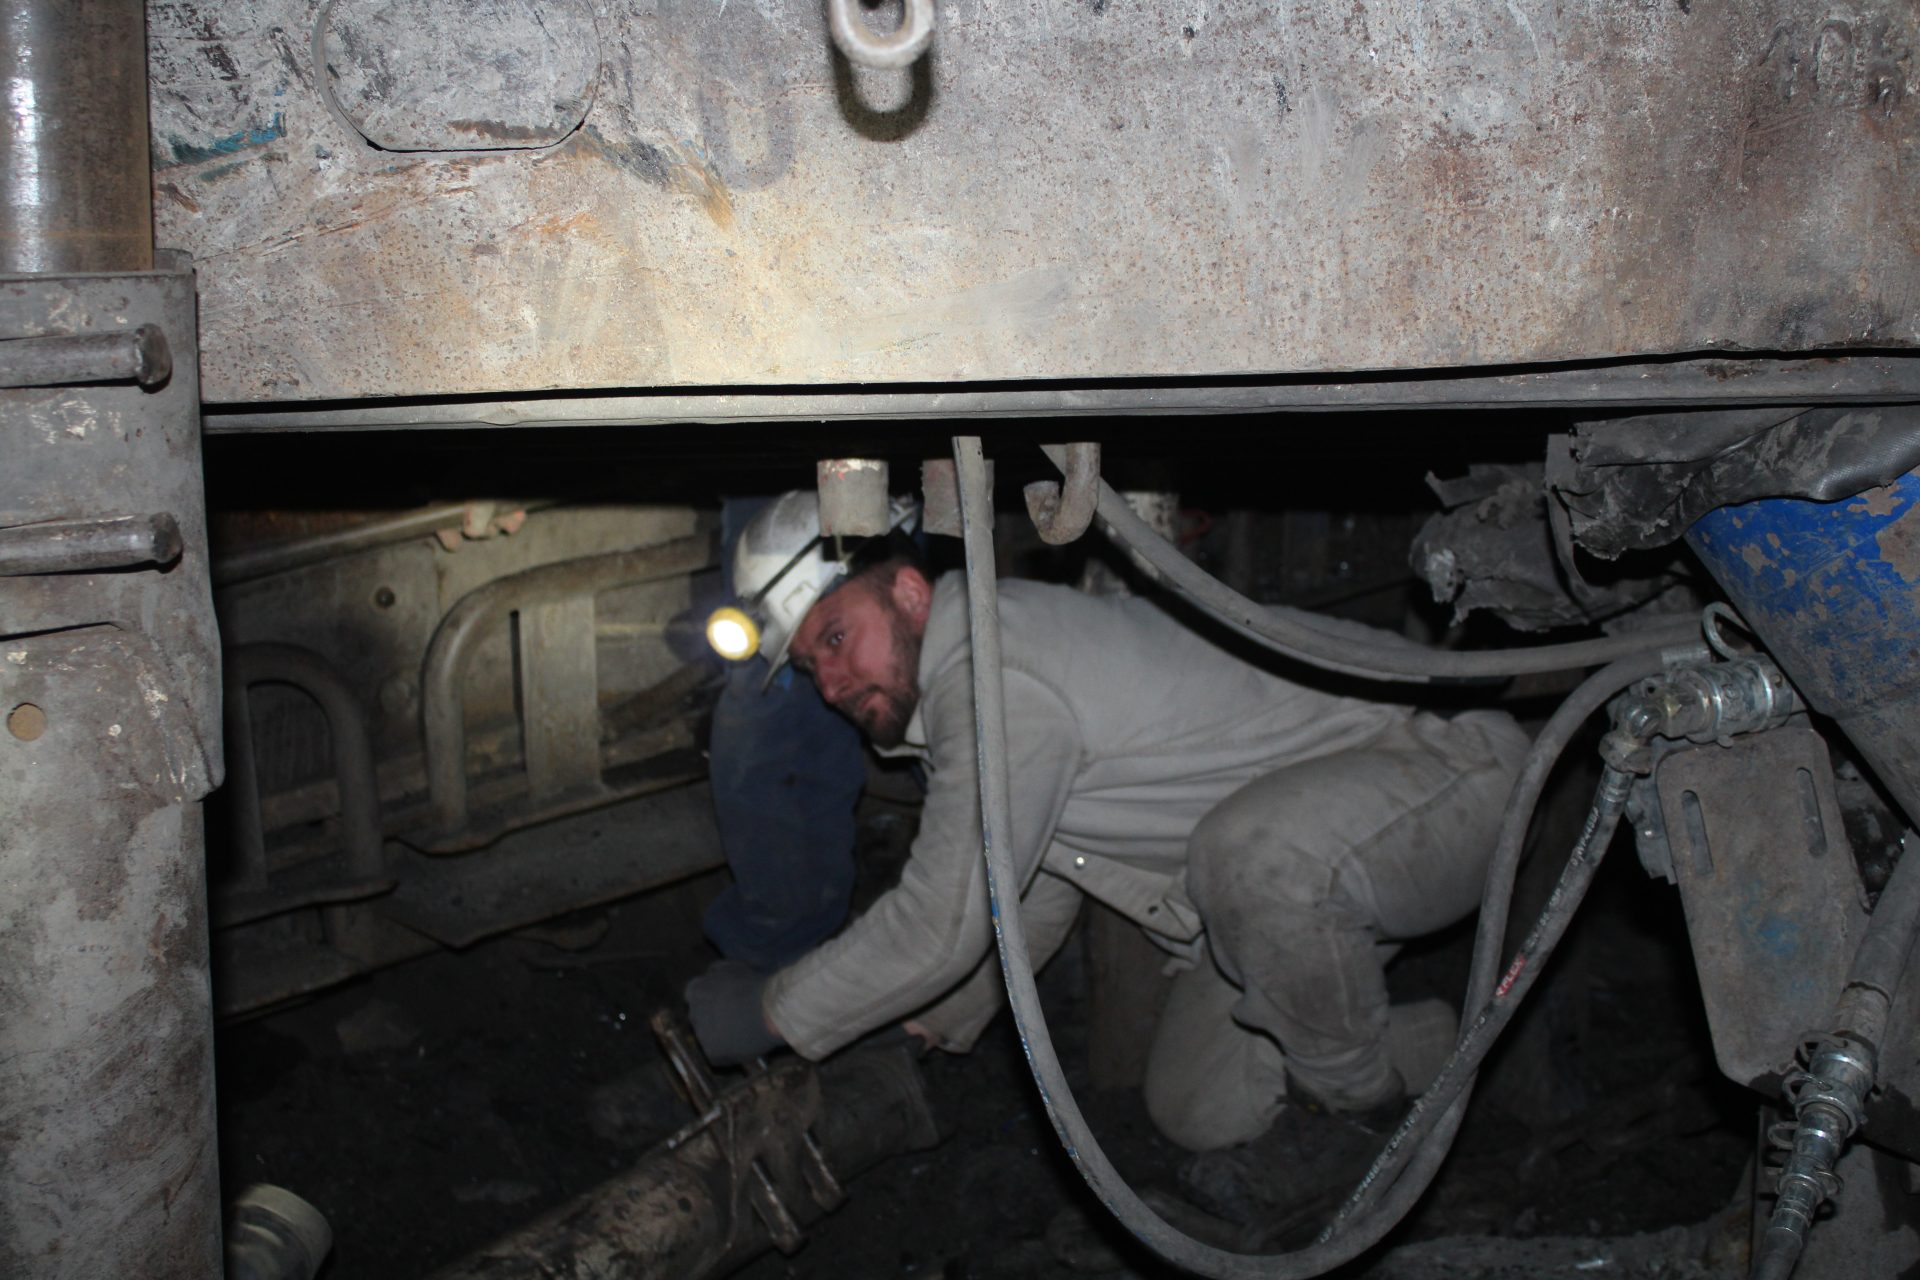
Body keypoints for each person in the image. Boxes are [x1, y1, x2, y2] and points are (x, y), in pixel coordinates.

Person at [687, 492, 1530, 1153]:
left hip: (1441, 772)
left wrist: (770, 1011)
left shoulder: (997, 674)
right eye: (811, 666)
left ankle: (1360, 1120)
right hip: (1305, 869)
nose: (832, 684)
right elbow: (1028, 897)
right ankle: (1454, 1045)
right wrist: (921, 1027)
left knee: (1250, 856)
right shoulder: (961, 700)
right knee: (1200, 1107)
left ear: (909, 592)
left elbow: (939, 921)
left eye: (837, 637)